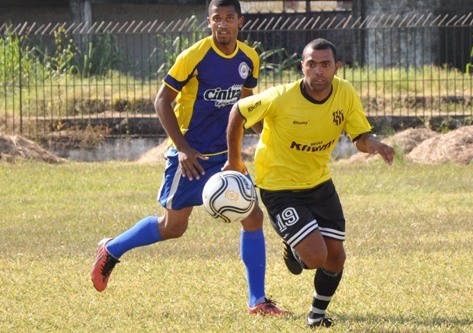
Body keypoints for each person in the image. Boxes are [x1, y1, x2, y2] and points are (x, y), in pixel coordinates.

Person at [90, 0, 287, 315]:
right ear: (209, 22)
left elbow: (246, 102)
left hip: (226, 156)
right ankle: (111, 249)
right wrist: (181, 147)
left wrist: (267, 135)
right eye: (216, 18)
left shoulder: (249, 58)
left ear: (241, 22)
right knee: (173, 227)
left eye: (229, 18)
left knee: (253, 217)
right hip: (190, 157)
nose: (222, 24)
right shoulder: (194, 56)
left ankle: (257, 300)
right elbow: (161, 101)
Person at [223, 38, 395, 327]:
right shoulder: (281, 97)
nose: (318, 71)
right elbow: (239, 111)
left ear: (336, 68)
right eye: (312, 64)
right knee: (316, 257)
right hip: (279, 185)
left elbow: (360, 137)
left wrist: (375, 144)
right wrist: (234, 159)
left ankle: (316, 317)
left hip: (318, 183)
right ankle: (295, 245)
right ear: (302, 66)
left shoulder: (345, 93)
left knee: (336, 256)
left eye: (325, 65)